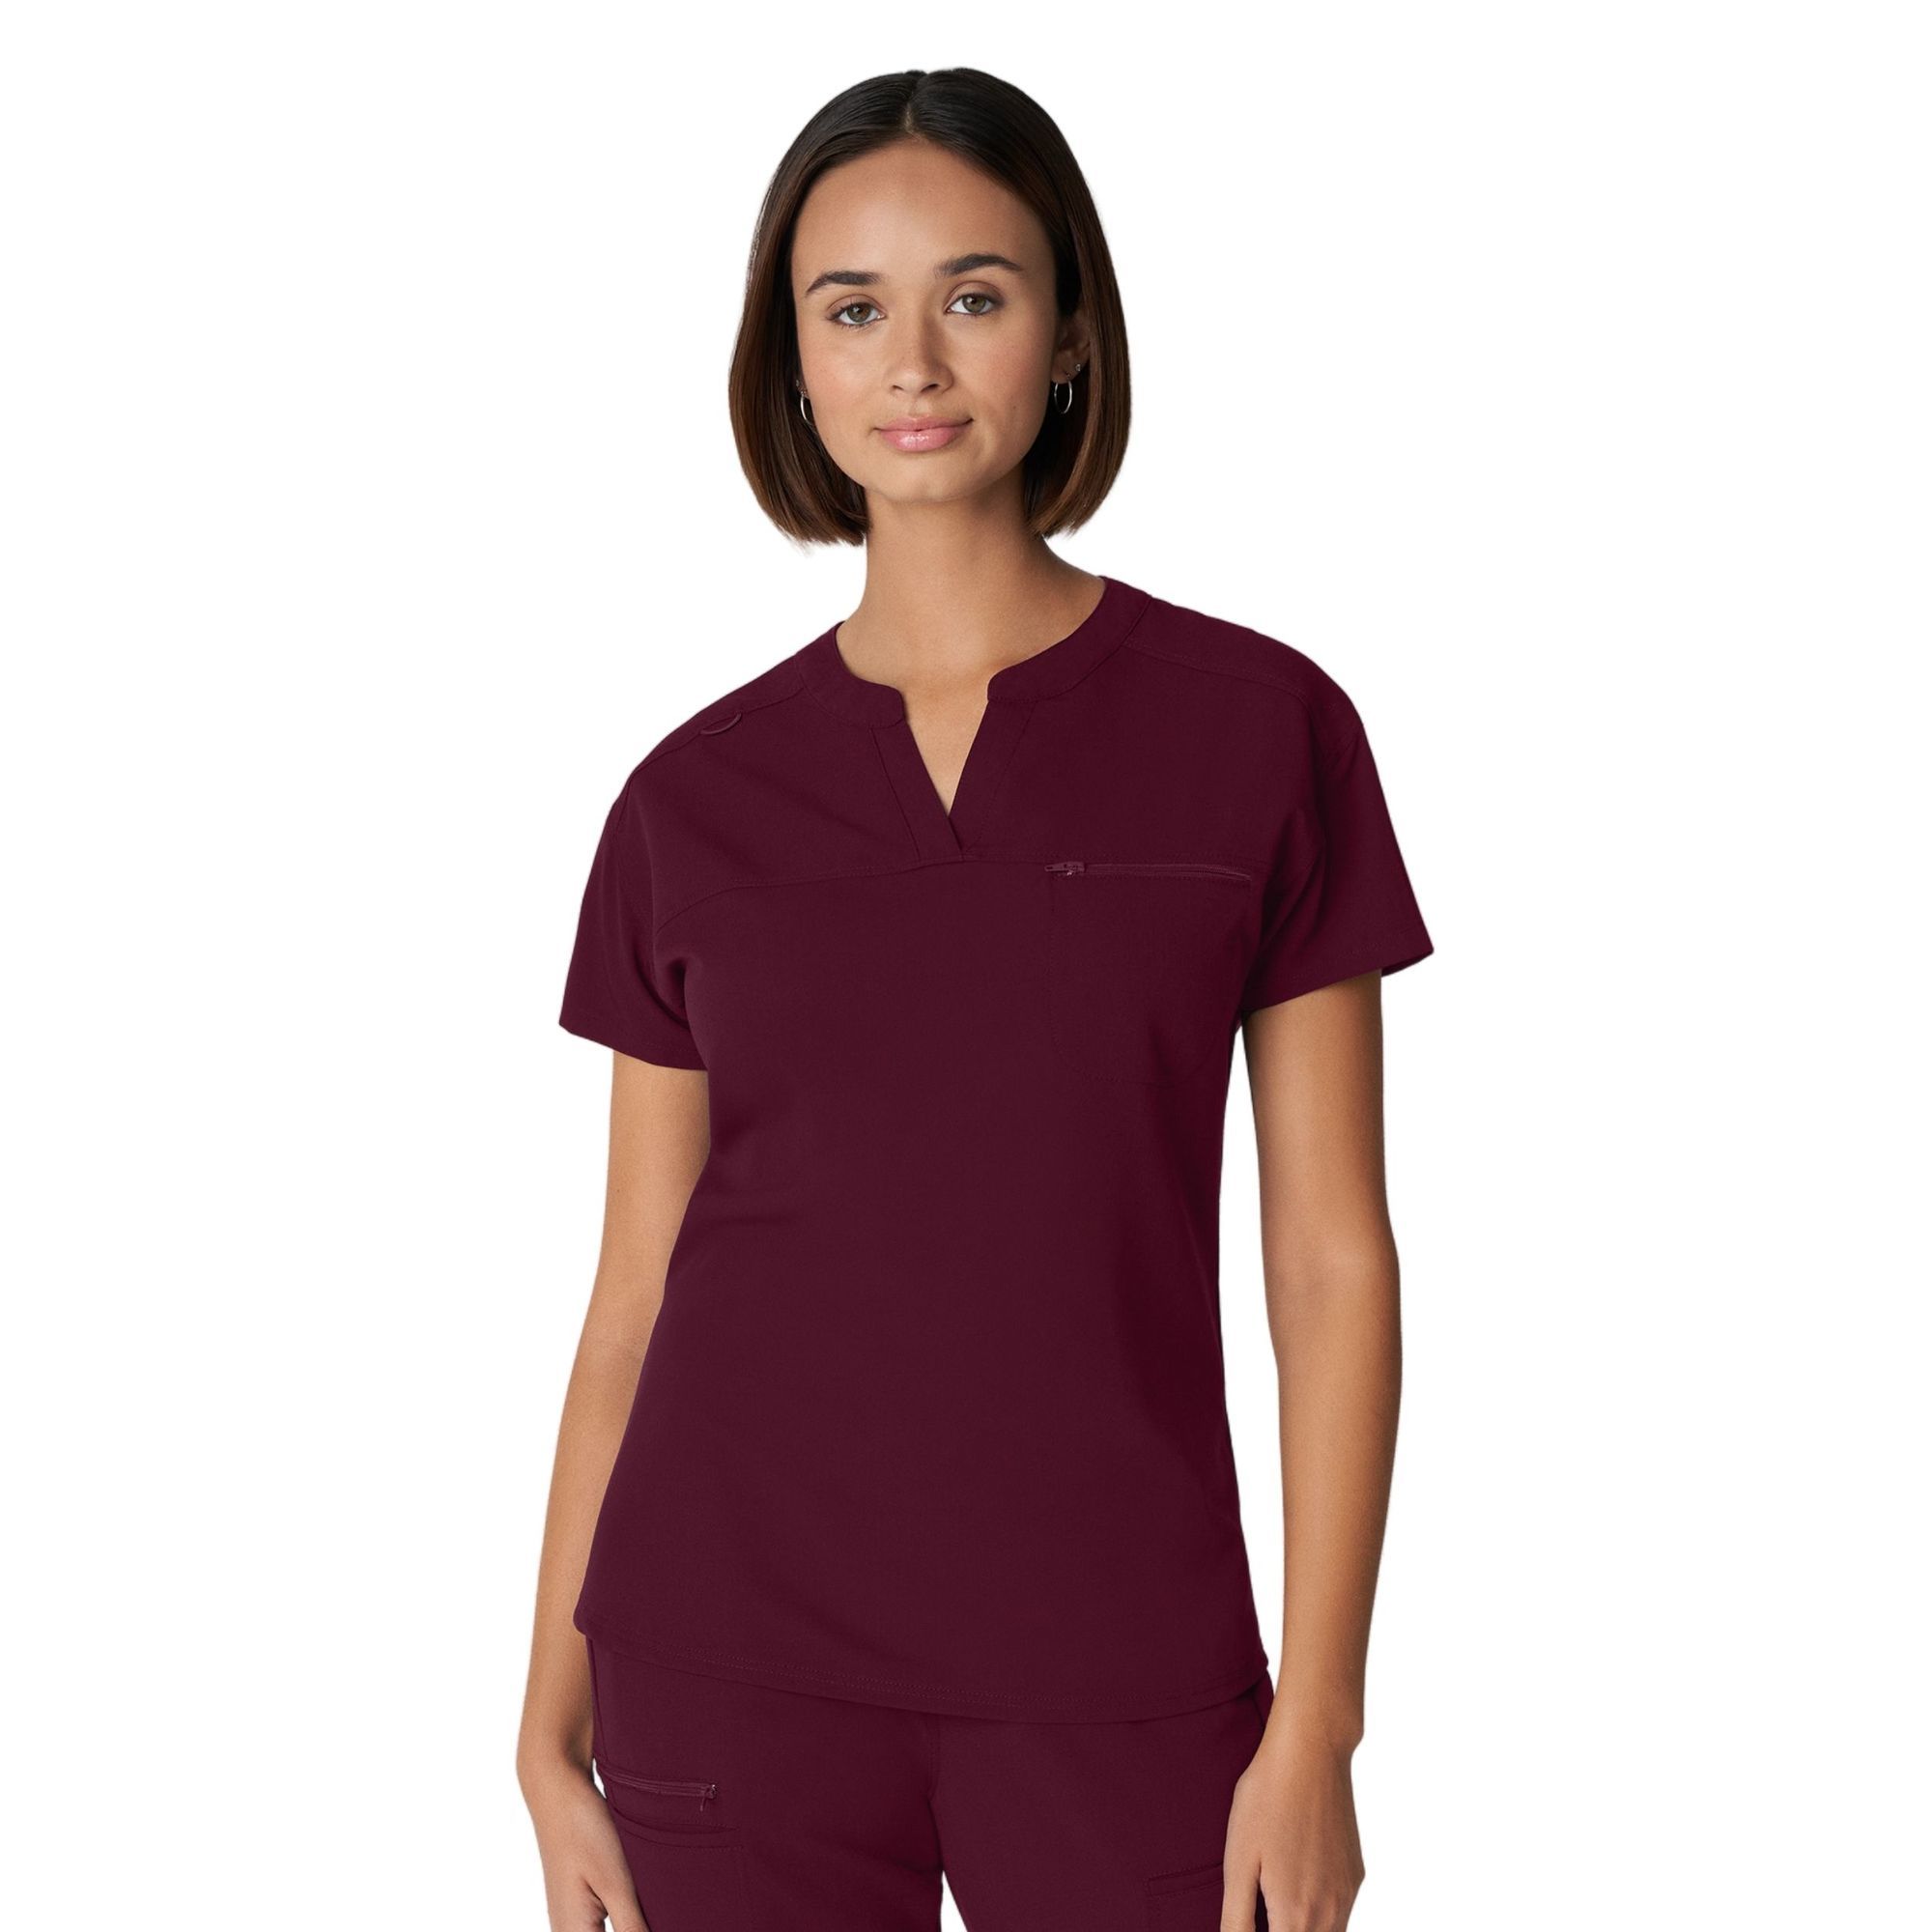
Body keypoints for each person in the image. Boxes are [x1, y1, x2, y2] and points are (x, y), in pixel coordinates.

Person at [517, 66, 1434, 1932]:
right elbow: (635, 1293)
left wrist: (1320, 1723)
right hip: (728, 1666)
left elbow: (1331, 1263)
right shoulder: (690, 800)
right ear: (791, 363)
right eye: (852, 308)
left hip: (1131, 1667)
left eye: (977, 295)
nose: (914, 363)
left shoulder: (1263, 733)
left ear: (1072, 331)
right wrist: (545, 1726)